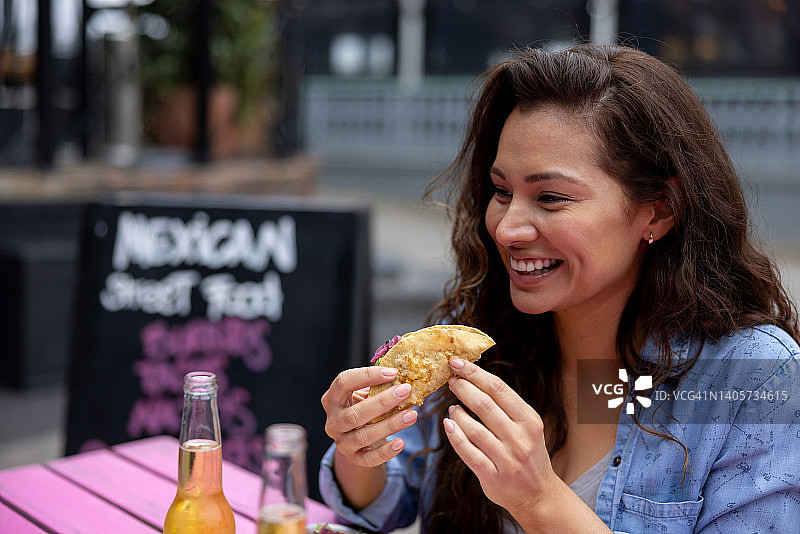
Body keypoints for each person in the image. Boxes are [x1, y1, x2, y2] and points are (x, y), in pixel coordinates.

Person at [319, 44, 800, 533]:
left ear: (659, 209)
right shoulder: (484, 326)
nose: (507, 228)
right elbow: (390, 497)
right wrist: (360, 445)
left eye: (550, 198)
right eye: (502, 192)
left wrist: (541, 501)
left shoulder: (751, 376)